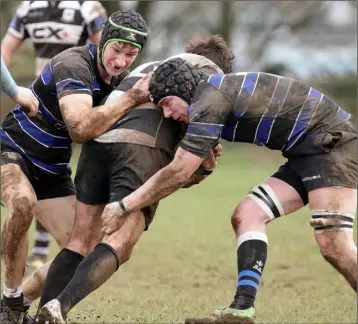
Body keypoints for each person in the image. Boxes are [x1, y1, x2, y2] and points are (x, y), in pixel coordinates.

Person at [100, 58, 355, 323]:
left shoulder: (209, 100)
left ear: (184, 90)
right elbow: (194, 169)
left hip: (331, 146)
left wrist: (123, 206)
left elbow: (179, 172)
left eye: (166, 103)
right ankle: (241, 309)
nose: (166, 113)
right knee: (247, 215)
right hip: (305, 153)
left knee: (334, 245)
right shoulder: (210, 95)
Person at [36, 34, 235, 324]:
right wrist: (206, 164)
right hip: (140, 147)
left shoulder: (154, 65)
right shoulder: (212, 76)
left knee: (81, 239)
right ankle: (57, 309)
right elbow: (188, 163)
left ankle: (41, 314)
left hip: (96, 143)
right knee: (121, 240)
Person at [0, 9, 149, 324]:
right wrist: (131, 98)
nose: (122, 60)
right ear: (104, 39)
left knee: (84, 247)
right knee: (23, 203)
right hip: (12, 151)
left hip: (53, 170)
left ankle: (18, 302)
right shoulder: (74, 64)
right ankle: (11, 302)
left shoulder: (121, 82)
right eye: (117, 50)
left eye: (131, 54)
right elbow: (80, 128)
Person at [1, 0, 108, 269]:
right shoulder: (28, 9)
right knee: (28, 177)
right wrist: (11, 88)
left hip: (76, 99)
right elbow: (4, 52)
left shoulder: (88, 8)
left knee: (53, 170)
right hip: (39, 101)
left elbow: (105, 55)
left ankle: (41, 245)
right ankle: (36, 248)